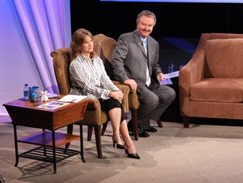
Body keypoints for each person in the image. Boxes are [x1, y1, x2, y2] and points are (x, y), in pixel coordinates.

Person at [69, 28, 140, 159]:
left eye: (91, 41)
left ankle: (119, 137)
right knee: (113, 99)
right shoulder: (75, 64)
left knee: (115, 100)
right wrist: (109, 93)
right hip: (85, 97)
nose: (90, 44)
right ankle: (126, 142)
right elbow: (87, 86)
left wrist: (116, 90)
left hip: (99, 94)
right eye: (86, 43)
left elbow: (105, 79)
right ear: (78, 45)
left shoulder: (97, 60)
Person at [111, 10, 176, 138]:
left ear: (153, 26)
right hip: (134, 82)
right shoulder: (126, 38)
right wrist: (125, 79)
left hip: (149, 82)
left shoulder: (154, 43)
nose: (146, 28)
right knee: (152, 99)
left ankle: (142, 123)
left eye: (149, 25)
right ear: (137, 23)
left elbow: (155, 64)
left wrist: (158, 73)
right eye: (143, 24)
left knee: (169, 93)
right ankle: (134, 126)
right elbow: (116, 61)